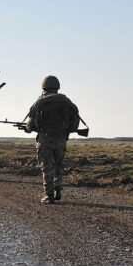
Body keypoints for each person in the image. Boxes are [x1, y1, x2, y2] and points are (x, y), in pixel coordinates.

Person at [24, 75, 80, 204]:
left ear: (44, 86)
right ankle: (58, 191)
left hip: (45, 140)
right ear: (57, 86)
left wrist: (27, 128)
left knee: (47, 167)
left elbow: (31, 124)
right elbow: (74, 122)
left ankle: (49, 195)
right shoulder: (67, 102)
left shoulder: (39, 102)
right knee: (58, 165)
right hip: (61, 140)